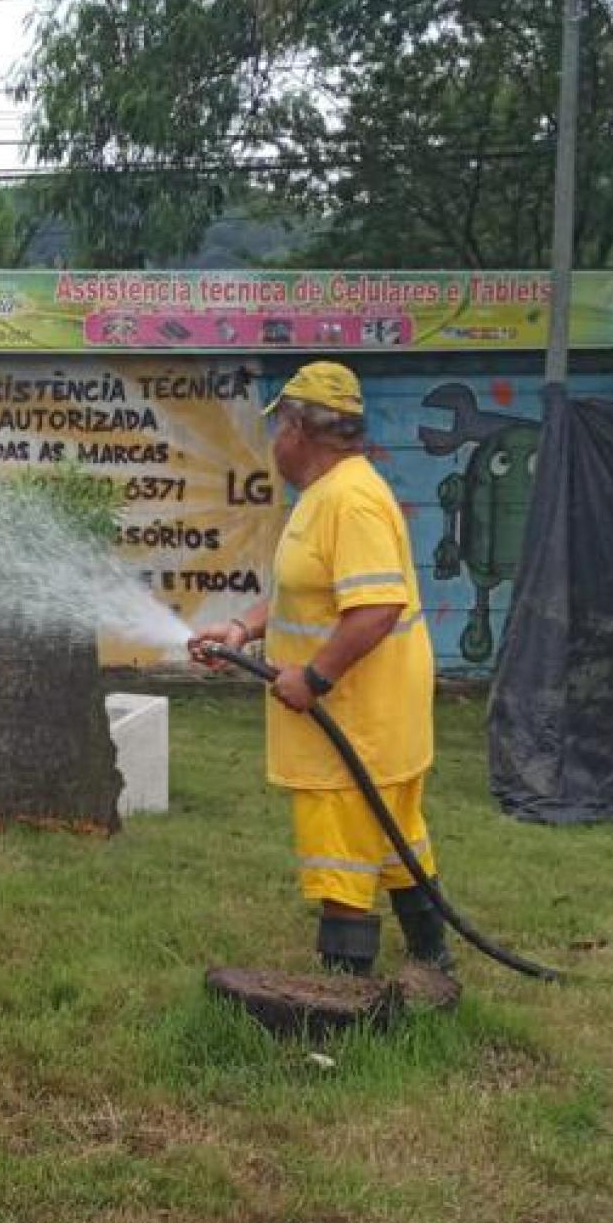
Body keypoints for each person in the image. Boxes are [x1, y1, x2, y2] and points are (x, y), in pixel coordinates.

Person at [188, 360, 450, 976]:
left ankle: (345, 988)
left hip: (356, 720)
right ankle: (431, 959)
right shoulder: (326, 496)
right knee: (394, 838)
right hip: (377, 716)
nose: (275, 440)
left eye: (278, 426)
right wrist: (242, 629)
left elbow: (376, 607)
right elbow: (307, 593)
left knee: (343, 854)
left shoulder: (350, 501)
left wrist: (314, 678)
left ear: (301, 429)